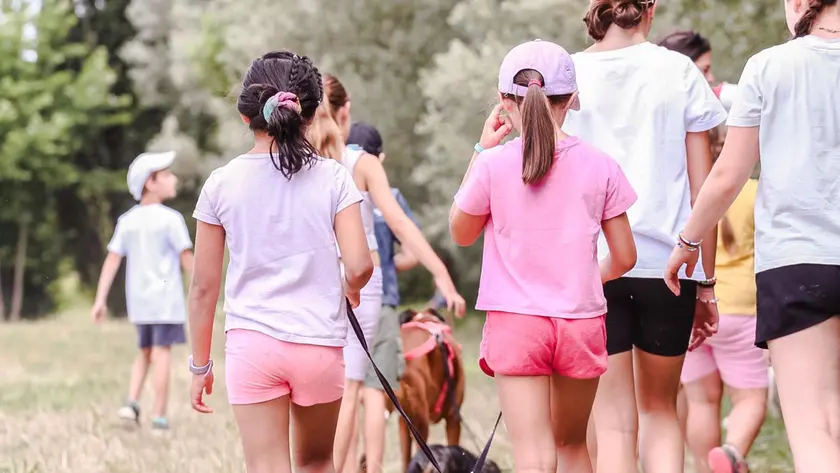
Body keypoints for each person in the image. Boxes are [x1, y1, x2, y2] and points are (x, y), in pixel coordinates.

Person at [665, 1, 840, 472]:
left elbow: (727, 176)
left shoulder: (769, 67)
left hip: (796, 264)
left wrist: (687, 244)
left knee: (817, 427)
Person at [450, 39, 638, 473]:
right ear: (571, 100)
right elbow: (625, 256)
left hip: (517, 325)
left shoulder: (495, 165)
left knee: (533, 456)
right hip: (580, 321)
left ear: (504, 102)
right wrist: (588, 276)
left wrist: (480, 152)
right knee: (572, 446)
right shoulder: (600, 165)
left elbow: (460, 231)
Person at [187, 51, 374, 473]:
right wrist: (352, 287)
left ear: (245, 116)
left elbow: (203, 288)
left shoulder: (221, 184)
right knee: (317, 462)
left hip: (252, 346)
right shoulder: (333, 177)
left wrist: (200, 365)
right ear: (310, 117)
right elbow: (360, 265)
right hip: (319, 345)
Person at [563, 2, 729, 472]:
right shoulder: (677, 71)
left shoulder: (569, 73)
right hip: (669, 268)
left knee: (614, 422)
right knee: (660, 410)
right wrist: (708, 284)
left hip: (594, 267)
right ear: (649, 9)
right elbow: (705, 192)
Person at [308, 75, 467, 473]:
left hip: (311, 284)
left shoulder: (298, 159)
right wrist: (440, 273)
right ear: (344, 112)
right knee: (350, 391)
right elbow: (398, 222)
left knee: (319, 392)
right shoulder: (360, 164)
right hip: (361, 284)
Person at [660, 29, 768, 473]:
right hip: (740, 305)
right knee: (749, 398)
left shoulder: (674, 185)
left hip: (685, 295)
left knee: (700, 400)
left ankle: (708, 466)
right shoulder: (747, 190)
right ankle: (732, 453)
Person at [91, 150, 194, 432]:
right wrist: (202, 292)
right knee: (162, 353)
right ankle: (159, 417)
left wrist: (100, 299)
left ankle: (132, 403)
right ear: (151, 182)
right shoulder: (171, 219)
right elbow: (187, 260)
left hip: (140, 302)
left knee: (145, 351)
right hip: (165, 302)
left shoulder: (127, 220)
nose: (173, 179)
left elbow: (112, 259)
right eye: (167, 174)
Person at [346, 121, 426, 472]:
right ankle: (374, 467)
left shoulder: (335, 187)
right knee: (374, 391)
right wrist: (387, 264)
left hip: (345, 299)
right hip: (383, 300)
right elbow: (412, 252)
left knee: (346, 392)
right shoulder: (390, 197)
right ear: (380, 158)